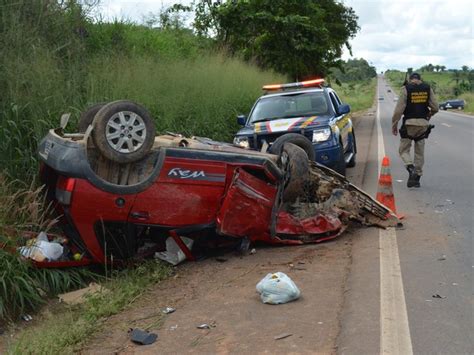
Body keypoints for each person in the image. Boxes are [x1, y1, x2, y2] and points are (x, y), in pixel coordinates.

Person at [391, 72, 438, 187]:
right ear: (420, 79)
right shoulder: (427, 88)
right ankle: (416, 180)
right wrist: (429, 115)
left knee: (403, 150)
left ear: (410, 79)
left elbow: (399, 110)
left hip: (409, 125)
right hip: (423, 125)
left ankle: (410, 167)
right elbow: (435, 107)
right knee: (419, 153)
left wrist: (394, 124)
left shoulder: (405, 89)